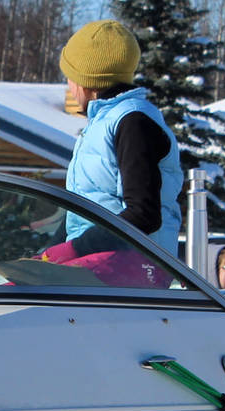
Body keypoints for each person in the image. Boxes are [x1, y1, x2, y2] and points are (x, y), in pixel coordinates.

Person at [57, 19, 181, 255]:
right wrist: (51, 253)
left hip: (131, 273)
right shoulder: (103, 123)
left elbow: (143, 215)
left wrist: (75, 250)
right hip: (102, 265)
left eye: (70, 76)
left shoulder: (133, 122)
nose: (69, 85)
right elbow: (83, 213)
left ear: (86, 81)